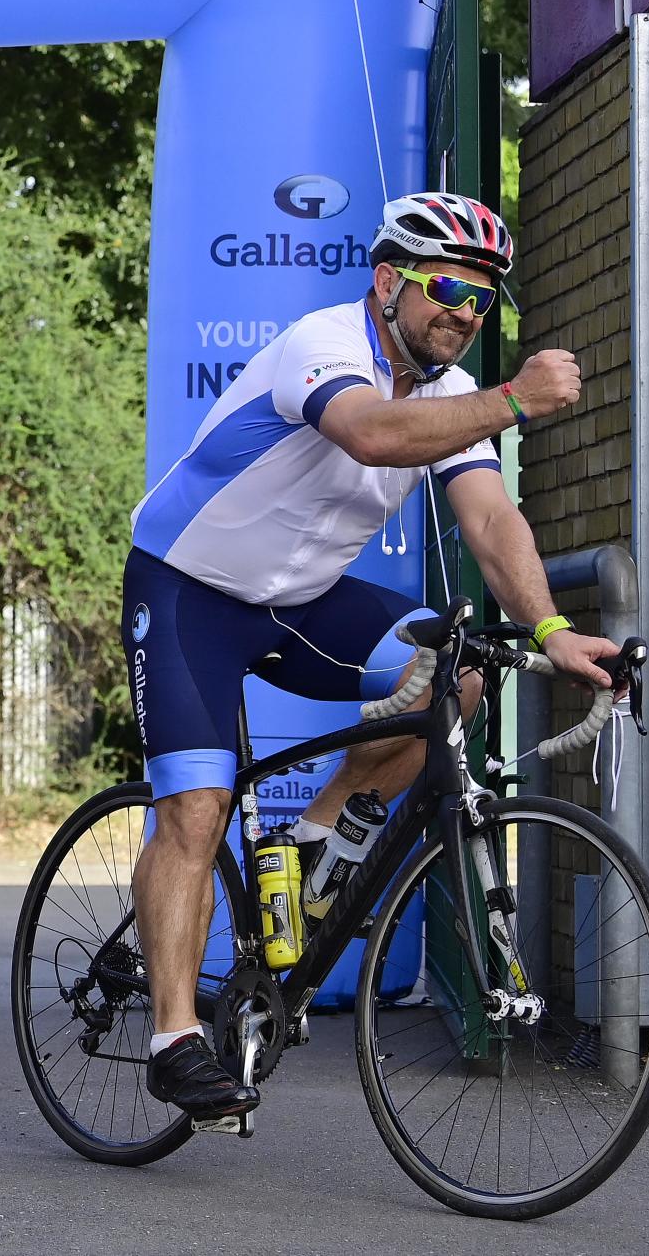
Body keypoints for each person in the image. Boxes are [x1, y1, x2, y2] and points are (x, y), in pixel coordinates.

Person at [121, 191, 619, 1121]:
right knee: (196, 804)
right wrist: (511, 399)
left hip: (302, 602)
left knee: (457, 676)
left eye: (480, 303)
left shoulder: (440, 397)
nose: (462, 316)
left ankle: (315, 840)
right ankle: (175, 1036)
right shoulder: (326, 344)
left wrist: (551, 630)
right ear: (389, 282)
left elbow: (490, 519)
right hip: (189, 590)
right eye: (444, 290)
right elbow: (367, 432)